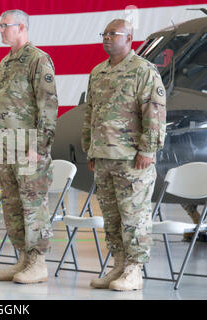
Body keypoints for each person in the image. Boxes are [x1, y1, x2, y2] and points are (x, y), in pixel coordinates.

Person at [81, 19, 167, 291]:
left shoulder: (144, 70)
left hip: (132, 159)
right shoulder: (98, 72)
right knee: (112, 216)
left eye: (113, 34)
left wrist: (147, 150)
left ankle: (134, 270)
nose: (106, 38)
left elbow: (155, 113)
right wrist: (90, 148)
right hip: (104, 156)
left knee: (134, 215)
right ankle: (118, 264)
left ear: (129, 38)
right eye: (104, 33)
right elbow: (90, 113)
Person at [0, 9, 59, 284]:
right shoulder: (5, 62)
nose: (0, 30)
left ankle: (38, 262)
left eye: (4, 25)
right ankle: (23, 259)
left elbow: (48, 105)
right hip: (8, 148)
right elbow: (4, 109)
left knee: (33, 205)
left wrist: (39, 146)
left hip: (29, 149)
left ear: (21, 28)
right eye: (0, 25)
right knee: (11, 205)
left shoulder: (38, 59)